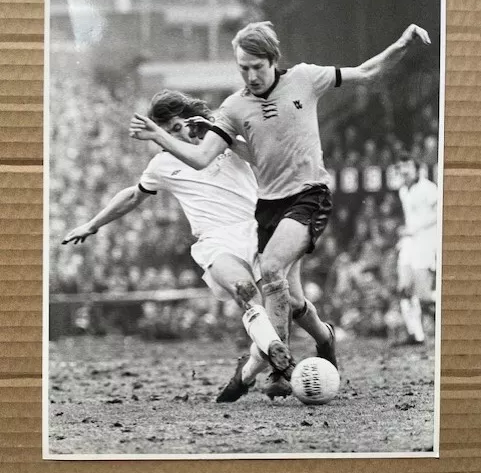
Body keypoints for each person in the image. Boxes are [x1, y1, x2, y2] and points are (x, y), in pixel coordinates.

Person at [130, 21, 431, 394]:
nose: (251, 75)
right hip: (268, 208)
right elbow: (201, 158)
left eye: (258, 66)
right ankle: (325, 340)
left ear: (274, 60)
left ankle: (274, 370)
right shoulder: (234, 107)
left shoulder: (306, 78)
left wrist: (401, 43)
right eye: (243, 68)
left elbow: (367, 72)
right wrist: (161, 135)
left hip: (310, 195)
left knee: (270, 269)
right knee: (290, 296)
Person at [62, 89, 310, 402]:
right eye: (166, 133)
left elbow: (262, 158)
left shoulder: (221, 137)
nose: (176, 136)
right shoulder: (162, 164)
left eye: (178, 127)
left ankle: (248, 374)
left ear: (191, 118)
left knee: (281, 311)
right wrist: (93, 224)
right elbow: (132, 195)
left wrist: (223, 136)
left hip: (260, 230)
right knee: (246, 292)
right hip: (216, 239)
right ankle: (280, 362)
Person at [395, 152, 438, 346]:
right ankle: (415, 334)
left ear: (416, 169)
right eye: (401, 167)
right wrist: (406, 233)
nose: (404, 171)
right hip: (410, 243)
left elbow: (439, 214)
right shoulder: (403, 191)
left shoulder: (429, 189)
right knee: (404, 288)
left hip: (426, 243)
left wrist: (417, 228)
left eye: (408, 167)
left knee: (424, 296)